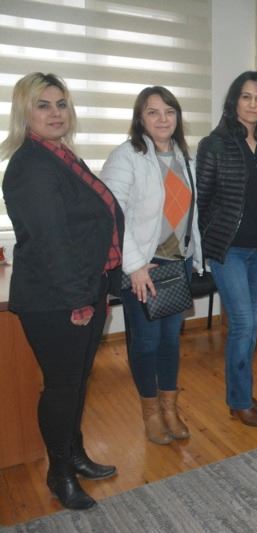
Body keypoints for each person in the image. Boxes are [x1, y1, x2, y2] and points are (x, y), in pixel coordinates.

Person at [0, 73, 124, 510]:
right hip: (58, 300)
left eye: (61, 104)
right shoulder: (31, 165)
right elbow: (52, 242)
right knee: (61, 387)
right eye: (43, 105)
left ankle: (75, 454)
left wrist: (98, 289)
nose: (55, 113)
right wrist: (78, 302)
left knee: (75, 383)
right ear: (25, 113)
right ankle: (60, 474)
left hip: (84, 289)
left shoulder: (61, 156)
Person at [100, 86, 203, 444]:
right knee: (146, 342)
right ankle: (151, 415)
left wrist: (196, 257)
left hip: (178, 264)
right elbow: (112, 214)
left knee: (170, 341)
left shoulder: (184, 156)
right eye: (153, 112)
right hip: (144, 266)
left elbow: (191, 213)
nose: (163, 119)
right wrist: (134, 266)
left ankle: (170, 409)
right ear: (140, 118)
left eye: (169, 111)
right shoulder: (126, 156)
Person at [196, 71, 257, 427]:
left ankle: (243, 392)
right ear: (234, 101)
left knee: (252, 325)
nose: (253, 104)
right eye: (246, 97)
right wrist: (211, 239)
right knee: (243, 324)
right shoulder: (214, 144)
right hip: (229, 250)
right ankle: (238, 400)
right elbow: (202, 200)